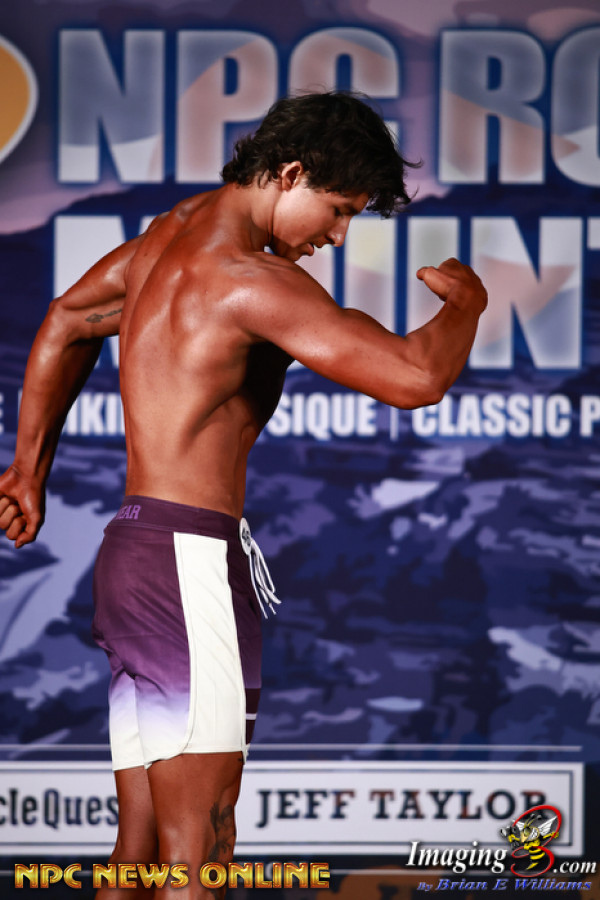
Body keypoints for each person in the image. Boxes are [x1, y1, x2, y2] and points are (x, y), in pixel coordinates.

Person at [0, 92, 487, 897]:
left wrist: (27, 469)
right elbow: (415, 377)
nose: (337, 236)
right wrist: (466, 306)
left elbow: (66, 321)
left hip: (134, 554)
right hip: (187, 565)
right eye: (338, 210)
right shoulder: (252, 281)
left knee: (142, 847)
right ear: (289, 174)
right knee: (204, 843)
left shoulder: (165, 238)